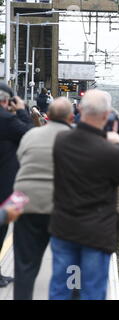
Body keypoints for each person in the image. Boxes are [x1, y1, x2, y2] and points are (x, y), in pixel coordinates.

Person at [49, 90, 119, 300]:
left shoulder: (61, 140)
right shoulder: (109, 151)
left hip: (64, 227)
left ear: (79, 109)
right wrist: (116, 143)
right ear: (107, 115)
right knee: (92, 291)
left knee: (60, 288)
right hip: (96, 232)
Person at [13, 98, 74, 300]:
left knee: (25, 265)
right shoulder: (76, 138)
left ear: (48, 114)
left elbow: (22, 159)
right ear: (71, 117)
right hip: (63, 208)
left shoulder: (31, 134)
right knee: (69, 264)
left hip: (27, 204)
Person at [0, 83, 33, 287]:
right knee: (2, 229)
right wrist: (21, 110)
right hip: (4, 187)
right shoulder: (7, 120)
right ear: (7, 100)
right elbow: (30, 134)